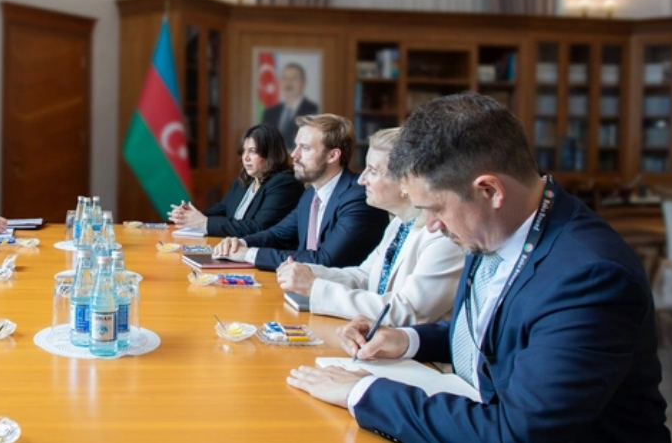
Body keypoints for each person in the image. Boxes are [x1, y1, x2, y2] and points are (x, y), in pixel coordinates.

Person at [286, 93, 672, 443]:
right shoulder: (497, 227)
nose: (431, 227)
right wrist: (408, 340)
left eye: (434, 208)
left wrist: (362, 393)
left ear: (489, 190)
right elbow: (498, 339)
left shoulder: (590, 276)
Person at [275, 127, 463, 325]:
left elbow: (406, 311)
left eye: (372, 171)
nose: (361, 179)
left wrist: (314, 287)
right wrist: (309, 272)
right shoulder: (399, 223)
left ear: (405, 182)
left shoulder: (442, 235)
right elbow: (365, 277)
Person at [213, 114, 388, 272]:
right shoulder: (311, 193)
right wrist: (240, 242)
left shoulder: (358, 196)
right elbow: (277, 234)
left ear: (332, 156)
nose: (294, 155)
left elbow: (324, 260)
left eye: (305, 148)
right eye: (296, 146)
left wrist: (248, 254)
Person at [168, 123, 303, 237]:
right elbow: (222, 209)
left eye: (252, 151)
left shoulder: (284, 183)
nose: (245, 157)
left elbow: (258, 228)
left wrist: (204, 222)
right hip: (232, 246)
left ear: (271, 154)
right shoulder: (245, 180)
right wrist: (190, 216)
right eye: (244, 151)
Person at [261, 62, 318, 152]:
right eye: (285, 78)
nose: (289, 82)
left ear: (304, 82)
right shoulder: (270, 113)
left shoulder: (314, 111)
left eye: (294, 78)